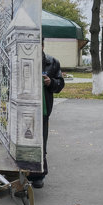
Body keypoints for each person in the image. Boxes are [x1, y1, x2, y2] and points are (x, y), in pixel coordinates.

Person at [28, 38, 65, 188]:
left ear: (43, 45)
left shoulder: (52, 62)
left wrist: (51, 82)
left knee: (40, 141)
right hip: (24, 106)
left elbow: (60, 83)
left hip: (43, 109)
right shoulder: (20, 59)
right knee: (24, 141)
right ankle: (21, 175)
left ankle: (38, 175)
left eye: (39, 44)